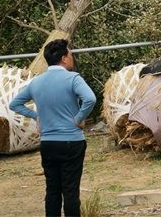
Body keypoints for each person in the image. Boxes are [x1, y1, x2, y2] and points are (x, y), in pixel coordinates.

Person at [10, 39, 96, 217]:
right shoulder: (73, 78)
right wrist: (79, 118)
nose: (72, 58)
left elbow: (15, 104)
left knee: (53, 190)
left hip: (48, 143)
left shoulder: (36, 82)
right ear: (64, 58)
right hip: (71, 142)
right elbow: (90, 99)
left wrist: (37, 116)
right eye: (70, 54)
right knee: (70, 190)